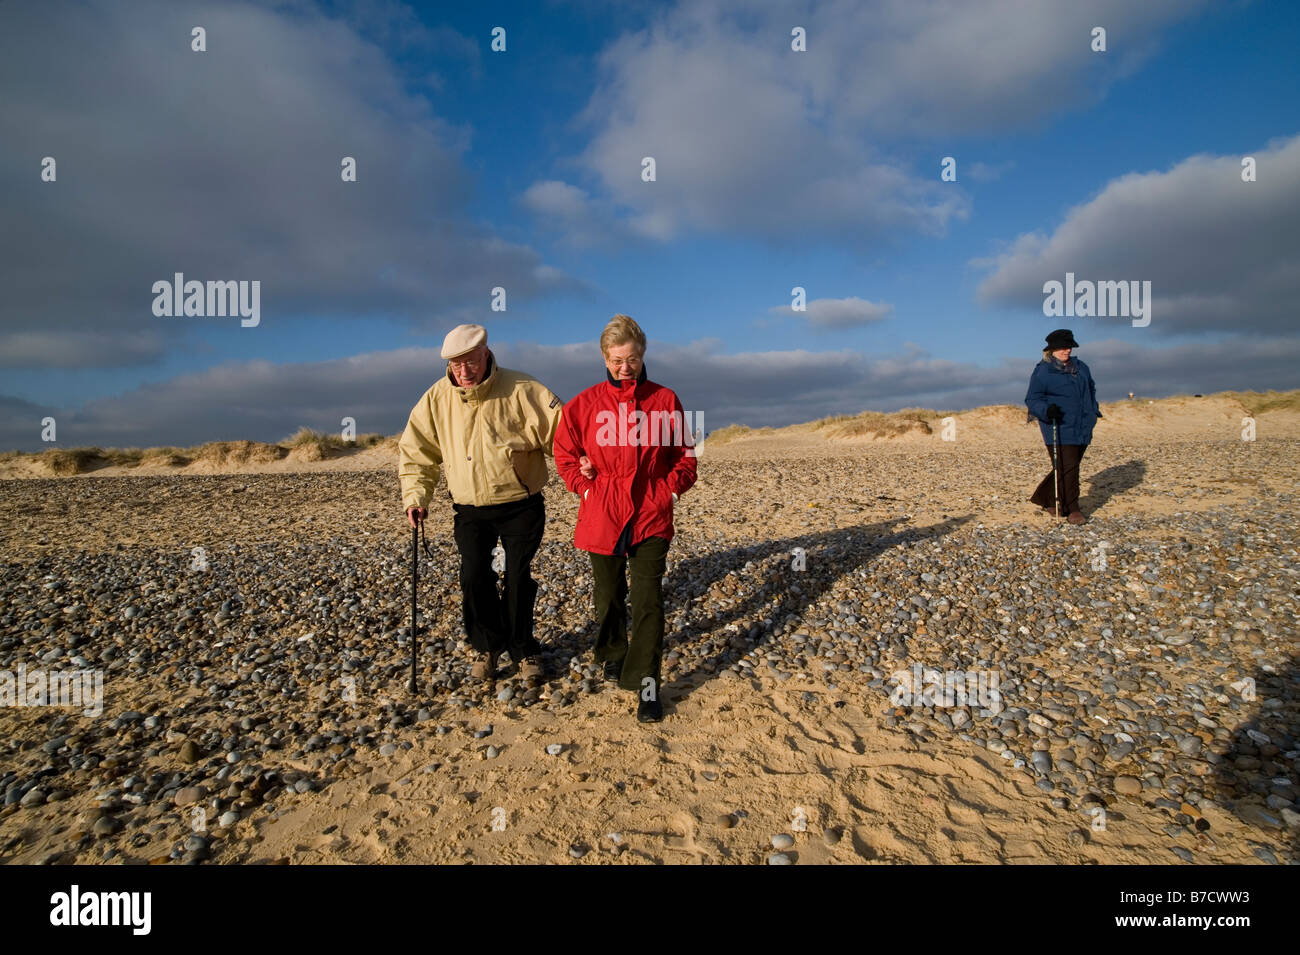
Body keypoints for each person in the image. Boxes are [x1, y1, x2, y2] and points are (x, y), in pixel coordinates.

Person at [553, 315, 697, 723]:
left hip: (651, 513)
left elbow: (685, 457)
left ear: (643, 354)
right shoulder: (583, 404)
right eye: (617, 360)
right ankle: (612, 651)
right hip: (602, 512)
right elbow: (563, 454)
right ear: (604, 357)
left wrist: (667, 491)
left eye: (632, 358)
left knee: (648, 600)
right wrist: (582, 486)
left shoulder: (665, 400)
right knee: (608, 595)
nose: (625, 367)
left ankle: (647, 684)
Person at [399, 324, 563, 683]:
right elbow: (417, 454)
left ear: (486, 352)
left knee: (518, 578)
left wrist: (586, 473)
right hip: (470, 509)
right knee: (474, 577)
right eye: (457, 365)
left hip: (522, 503)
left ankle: (524, 650)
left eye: (470, 362)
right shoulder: (436, 399)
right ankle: (487, 647)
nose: (464, 371)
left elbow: (562, 437)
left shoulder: (523, 389)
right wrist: (416, 497)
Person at [1025, 328, 1101, 524]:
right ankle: (1073, 508)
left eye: (1068, 347)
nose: (1066, 351)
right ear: (1051, 350)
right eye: (1062, 348)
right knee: (1069, 467)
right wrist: (1046, 410)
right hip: (1057, 425)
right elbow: (1032, 399)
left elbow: (1090, 390)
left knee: (1065, 466)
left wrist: (1093, 411)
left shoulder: (1081, 367)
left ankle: (1046, 498)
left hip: (1082, 424)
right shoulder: (1043, 370)